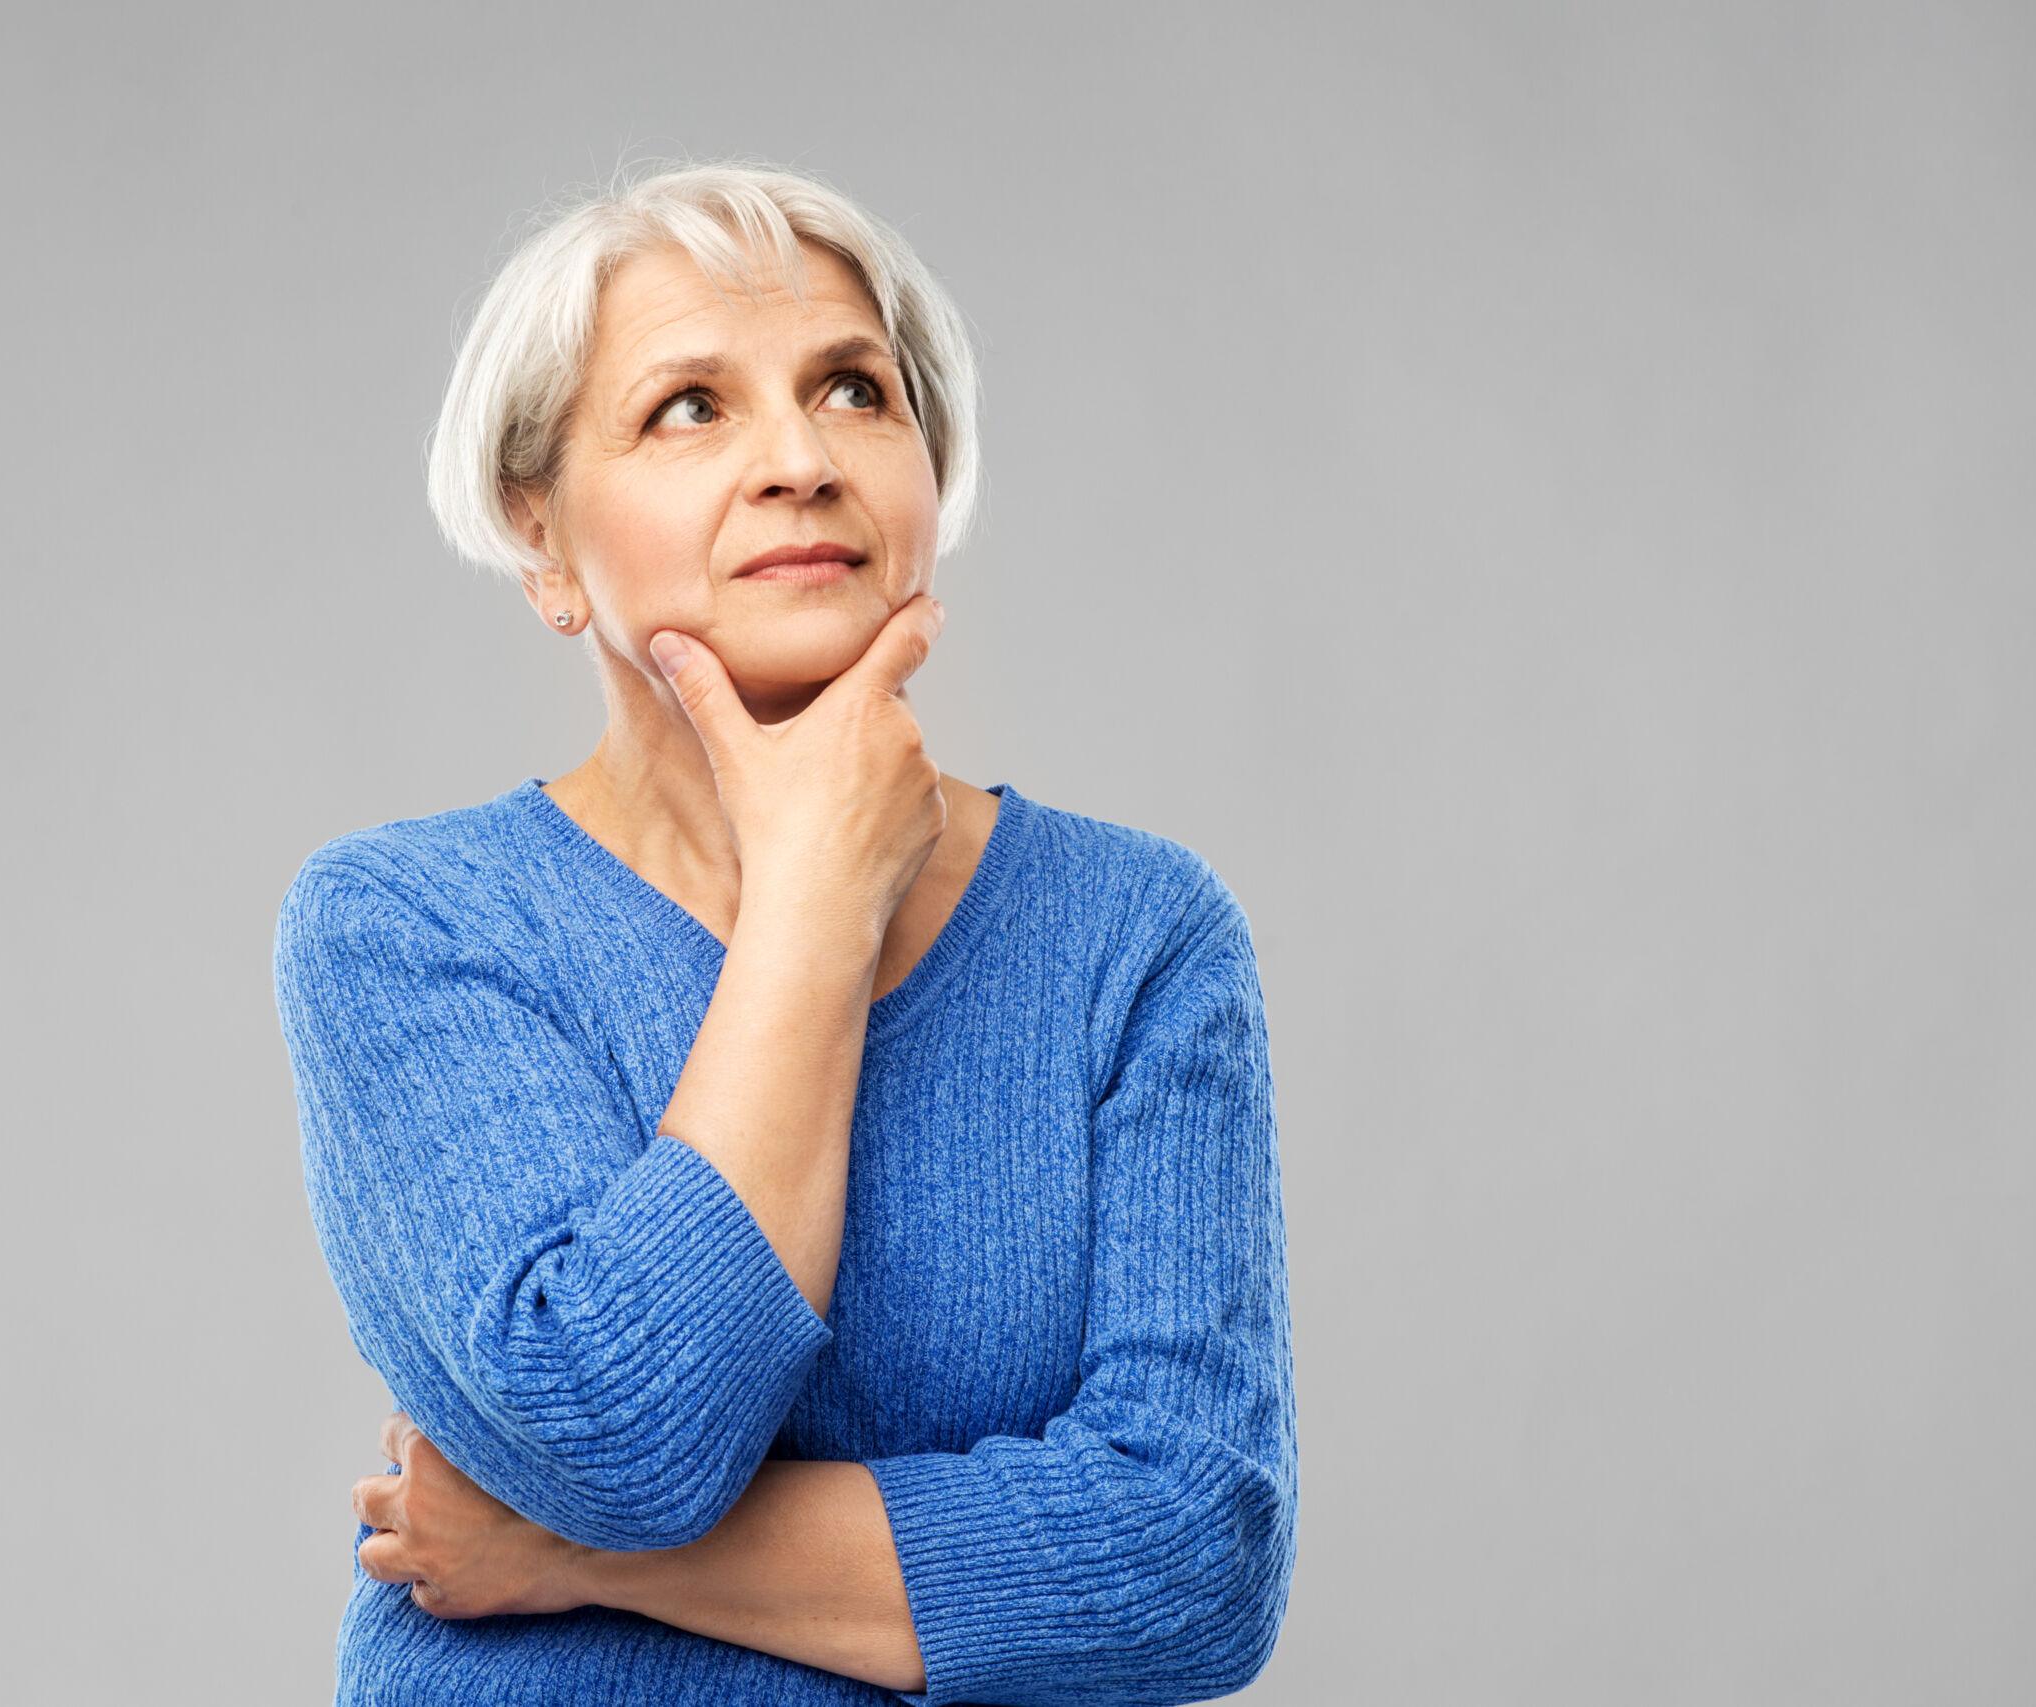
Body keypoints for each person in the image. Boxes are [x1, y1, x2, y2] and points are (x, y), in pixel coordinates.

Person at [272, 158, 1298, 1706]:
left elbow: (1191, 1557)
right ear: (539, 532)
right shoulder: (408, 926)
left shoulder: (1135, 937)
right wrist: (820, 895)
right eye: (690, 407)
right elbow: (621, 1431)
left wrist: (572, 1559)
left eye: (853, 390)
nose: (800, 459)